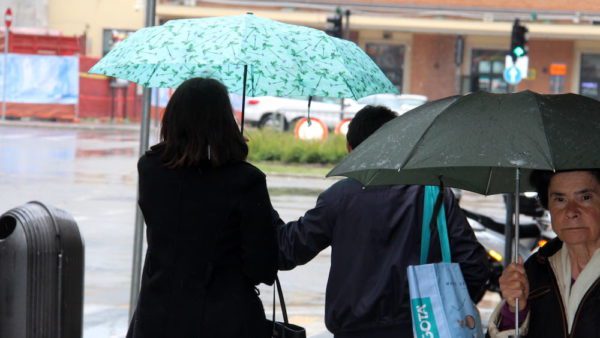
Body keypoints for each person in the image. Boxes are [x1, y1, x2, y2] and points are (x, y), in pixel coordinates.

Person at [277, 105, 490, 337]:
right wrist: (450, 309)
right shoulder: (433, 194)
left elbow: (288, 250)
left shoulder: (338, 198)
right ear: (400, 145)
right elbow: (475, 267)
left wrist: (253, 199)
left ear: (351, 150)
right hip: (422, 330)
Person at [127, 78, 277, 338]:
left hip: (158, 319)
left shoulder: (150, 169)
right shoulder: (245, 181)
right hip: (225, 322)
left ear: (172, 117)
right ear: (224, 121)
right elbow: (262, 267)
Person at [488, 169, 600, 337]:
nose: (571, 211)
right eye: (560, 199)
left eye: (585, 198)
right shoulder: (536, 268)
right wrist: (514, 311)